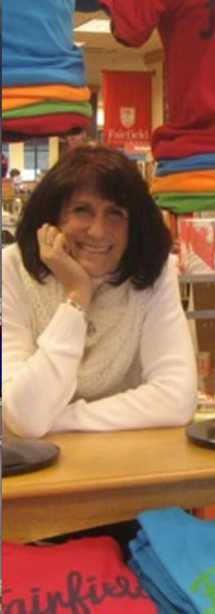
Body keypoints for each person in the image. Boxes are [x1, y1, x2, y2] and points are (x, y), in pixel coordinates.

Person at [3, 145, 197, 438]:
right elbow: (26, 416)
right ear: (52, 219)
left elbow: (177, 399)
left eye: (115, 213)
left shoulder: (154, 272)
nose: (97, 230)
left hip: (122, 463)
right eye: (82, 210)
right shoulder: (13, 268)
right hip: (37, 474)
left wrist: (60, 420)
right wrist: (77, 295)